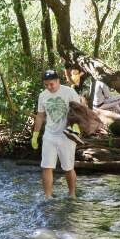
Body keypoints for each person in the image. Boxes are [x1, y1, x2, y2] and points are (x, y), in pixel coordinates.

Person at [31, 70, 81, 198]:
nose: (49, 87)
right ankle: (48, 196)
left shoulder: (69, 92)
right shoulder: (43, 96)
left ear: (58, 81)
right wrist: (35, 135)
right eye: (46, 85)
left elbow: (79, 111)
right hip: (49, 135)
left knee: (68, 167)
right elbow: (40, 116)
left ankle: (72, 195)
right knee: (46, 167)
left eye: (51, 84)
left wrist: (76, 125)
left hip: (67, 135)